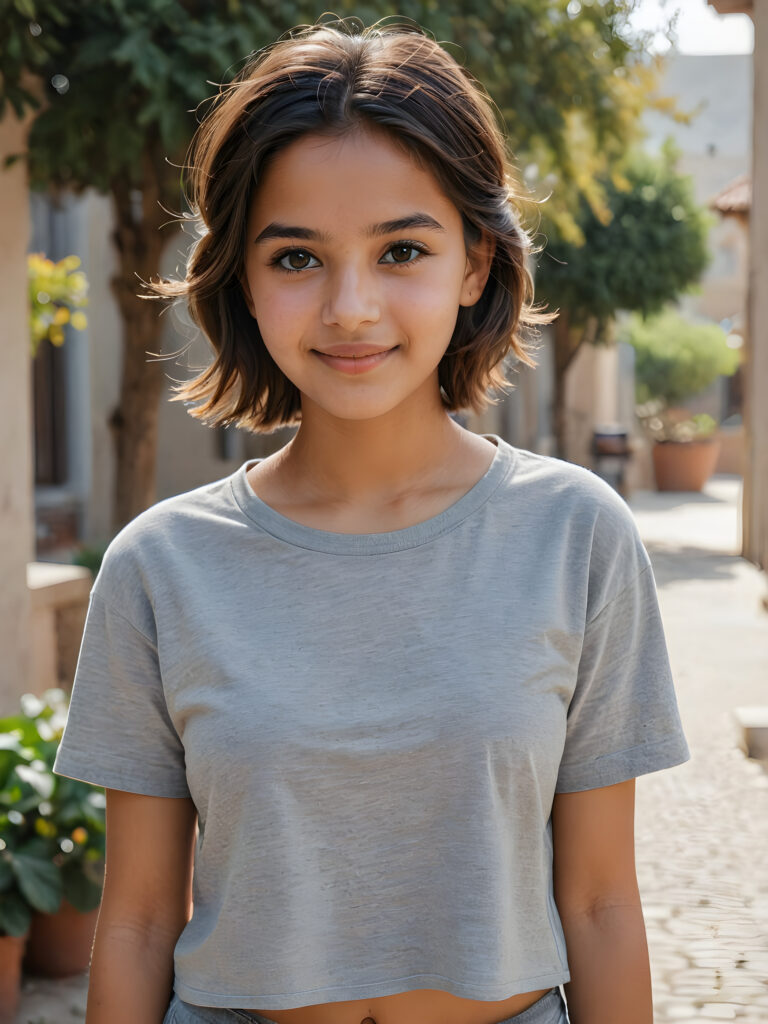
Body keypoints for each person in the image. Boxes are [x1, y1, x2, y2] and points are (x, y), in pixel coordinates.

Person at [52, 17, 691, 1024]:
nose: (351, 307)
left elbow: (604, 902)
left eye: (401, 249)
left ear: (476, 264)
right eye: (297, 257)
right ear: (246, 281)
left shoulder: (577, 536)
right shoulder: (160, 566)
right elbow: (134, 920)